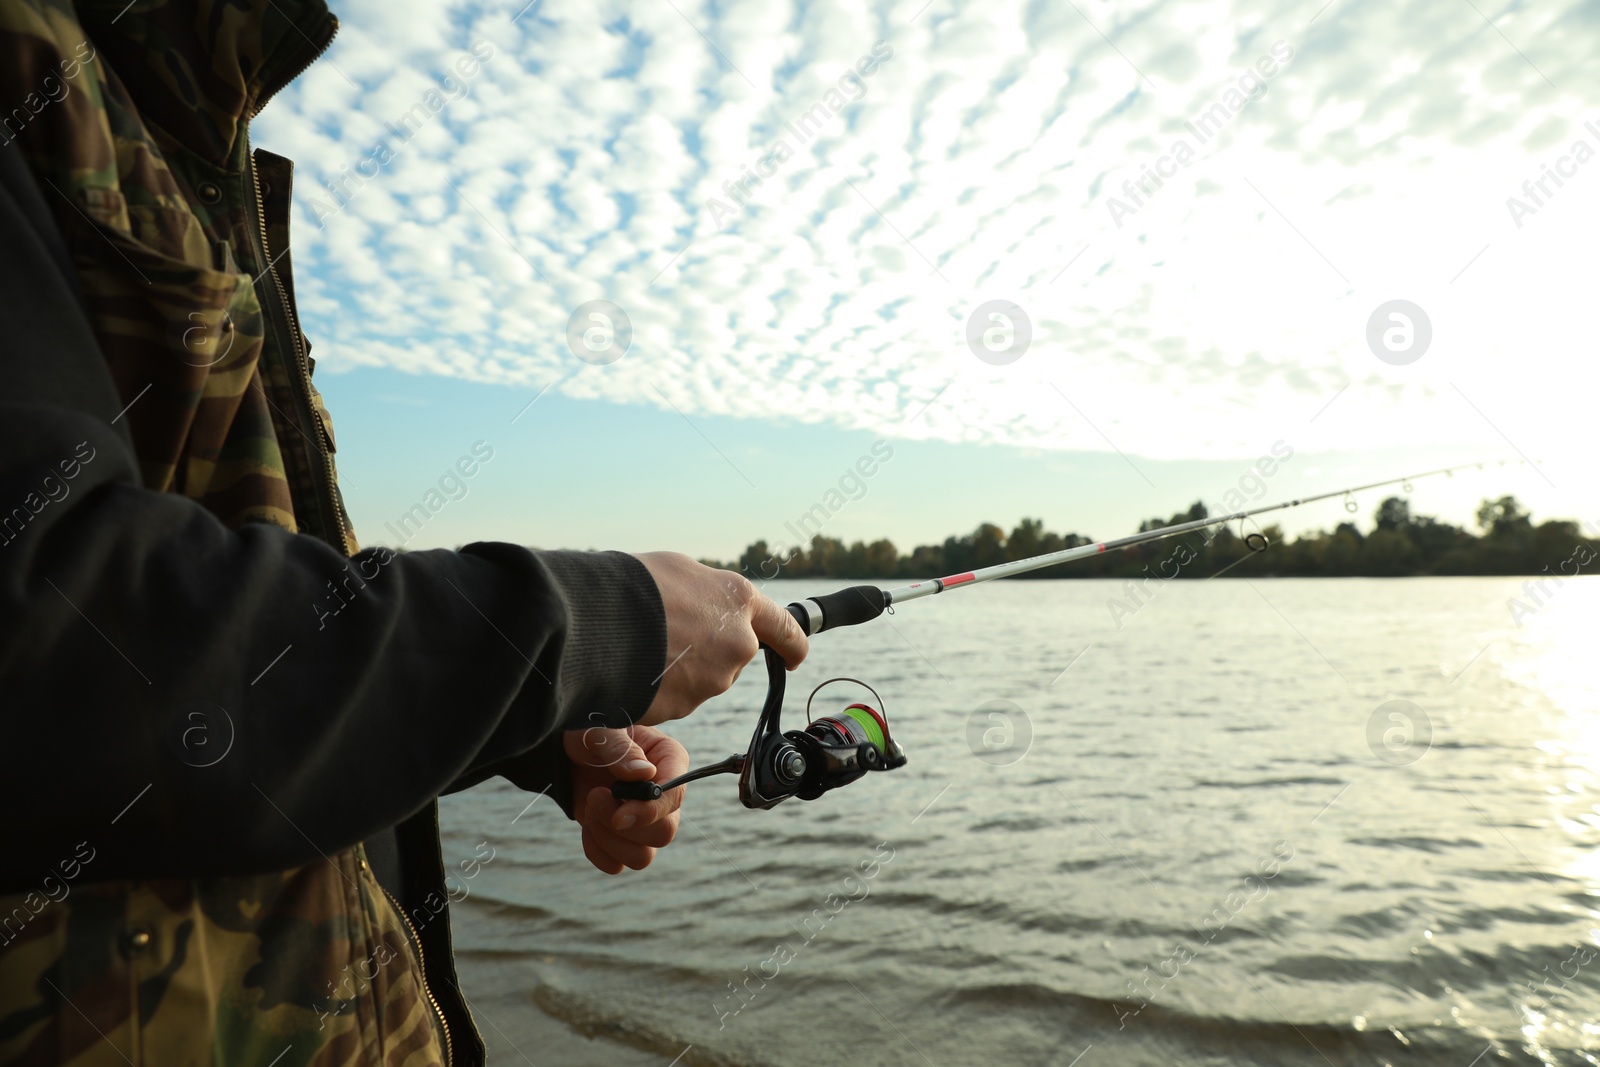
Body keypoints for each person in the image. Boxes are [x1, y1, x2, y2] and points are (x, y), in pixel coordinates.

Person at [0, 1, 808, 1063]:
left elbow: (254, 652)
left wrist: (539, 732)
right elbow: (53, 645)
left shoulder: (176, 118)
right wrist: (595, 626)